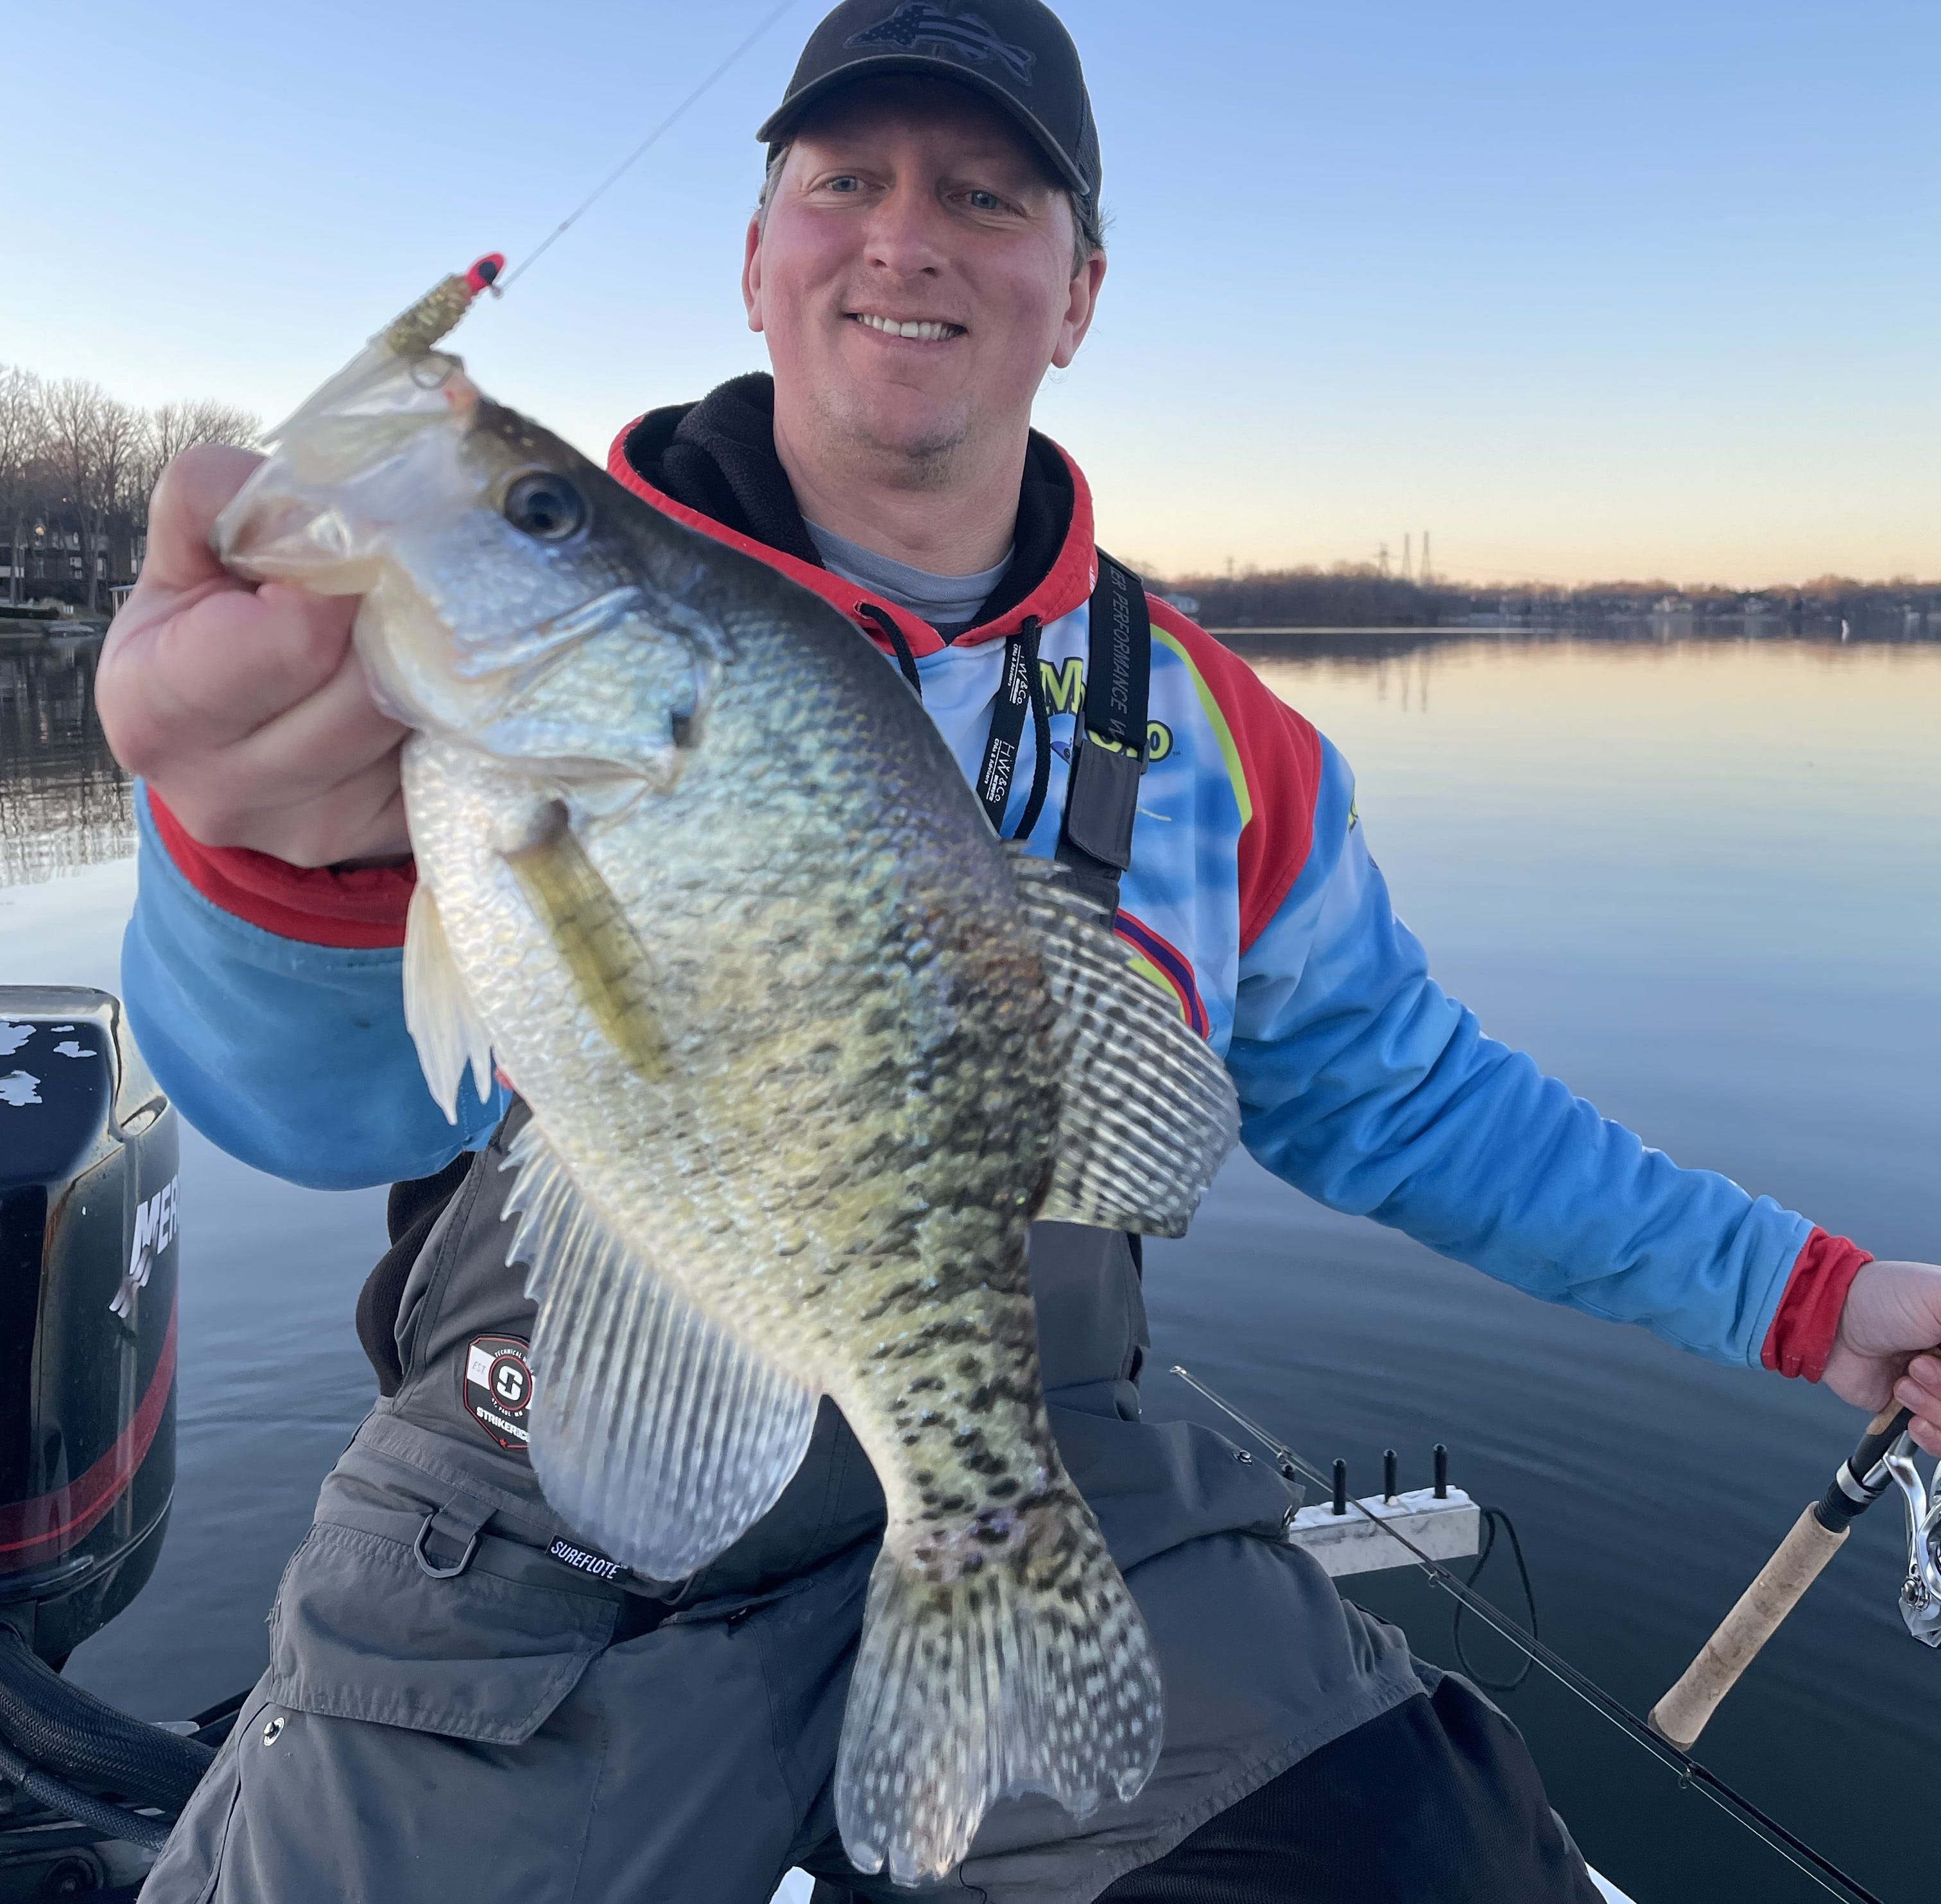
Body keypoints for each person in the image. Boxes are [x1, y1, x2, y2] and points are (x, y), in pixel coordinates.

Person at [99, 3, 1941, 1900]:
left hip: (1048, 1460)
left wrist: (1810, 1299)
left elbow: (1416, 1104)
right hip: (550, 1504)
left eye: (988, 195)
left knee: (1431, 1848)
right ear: (757, 257)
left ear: (1078, 294)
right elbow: (309, 1107)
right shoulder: (459, 653)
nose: (908, 237)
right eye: (847, 182)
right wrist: (261, 855)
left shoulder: (1218, 737)